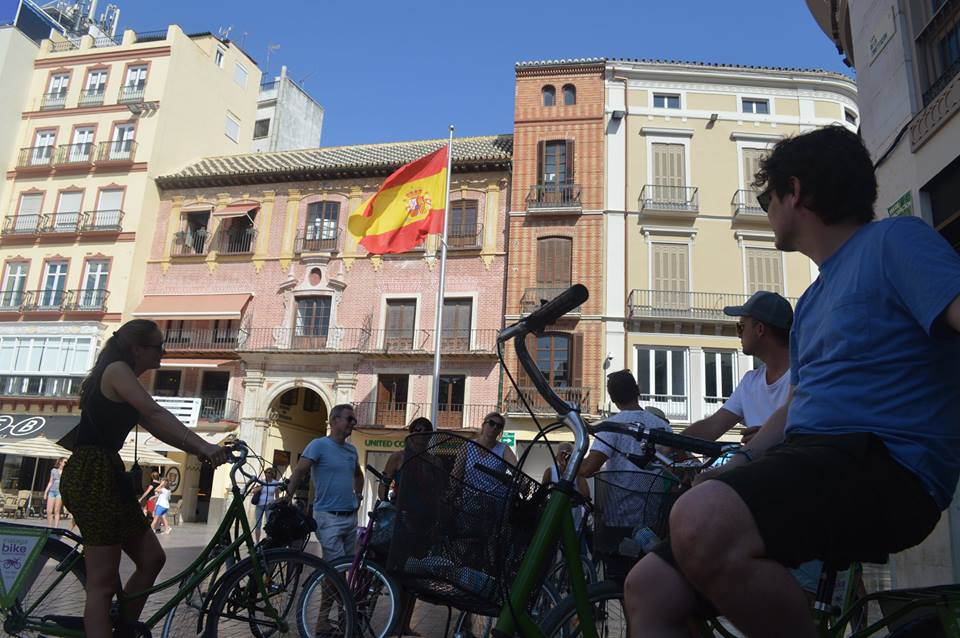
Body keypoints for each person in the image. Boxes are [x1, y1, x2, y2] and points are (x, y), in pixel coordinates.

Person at [625, 125, 960, 638]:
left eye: (767, 196)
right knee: (650, 587)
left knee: (702, 521)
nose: (765, 209)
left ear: (795, 191)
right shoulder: (813, 302)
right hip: (813, 458)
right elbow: (799, 404)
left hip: (887, 463)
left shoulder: (897, 240)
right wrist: (737, 464)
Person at [59, 319, 230, 638]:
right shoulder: (117, 370)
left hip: (108, 474)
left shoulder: (124, 377)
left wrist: (199, 449)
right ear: (138, 348)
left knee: (152, 557)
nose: (163, 352)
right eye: (158, 346)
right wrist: (203, 445)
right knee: (103, 583)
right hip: (91, 473)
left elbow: (159, 427)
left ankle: (123, 628)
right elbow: (154, 413)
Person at [681, 291, 792, 446]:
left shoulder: (805, 375)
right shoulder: (750, 381)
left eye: (740, 327)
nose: (738, 335)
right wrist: (668, 445)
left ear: (760, 329)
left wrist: (770, 438)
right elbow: (713, 425)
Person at [286, 403, 364, 562]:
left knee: (344, 566)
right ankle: (330, 586)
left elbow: (358, 475)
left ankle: (328, 587)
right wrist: (288, 496)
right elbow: (300, 471)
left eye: (354, 420)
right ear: (334, 420)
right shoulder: (318, 445)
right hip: (328, 517)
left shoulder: (352, 450)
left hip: (350, 518)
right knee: (336, 567)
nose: (353, 424)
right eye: (349, 419)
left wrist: (358, 497)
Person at [579, 370, 671, 477]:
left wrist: (567, 459)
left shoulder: (610, 427)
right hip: (656, 494)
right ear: (637, 390)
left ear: (613, 398)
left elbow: (587, 469)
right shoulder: (663, 426)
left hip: (619, 494)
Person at [251, 467, 281, 542]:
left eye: (269, 473)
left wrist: (277, 505)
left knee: (269, 524)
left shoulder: (275, 483)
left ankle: (267, 541)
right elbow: (254, 491)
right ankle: (257, 542)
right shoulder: (261, 482)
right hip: (259, 506)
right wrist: (262, 486)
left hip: (269, 506)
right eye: (266, 472)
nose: (267, 474)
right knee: (258, 524)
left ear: (272, 474)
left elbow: (277, 496)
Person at [44, 457, 66, 527]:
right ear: (60, 462)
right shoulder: (53, 470)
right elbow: (50, 482)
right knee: (49, 511)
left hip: (59, 492)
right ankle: (49, 527)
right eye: (65, 462)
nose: (66, 464)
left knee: (57, 511)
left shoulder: (66, 472)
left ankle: (55, 528)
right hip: (52, 491)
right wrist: (45, 492)